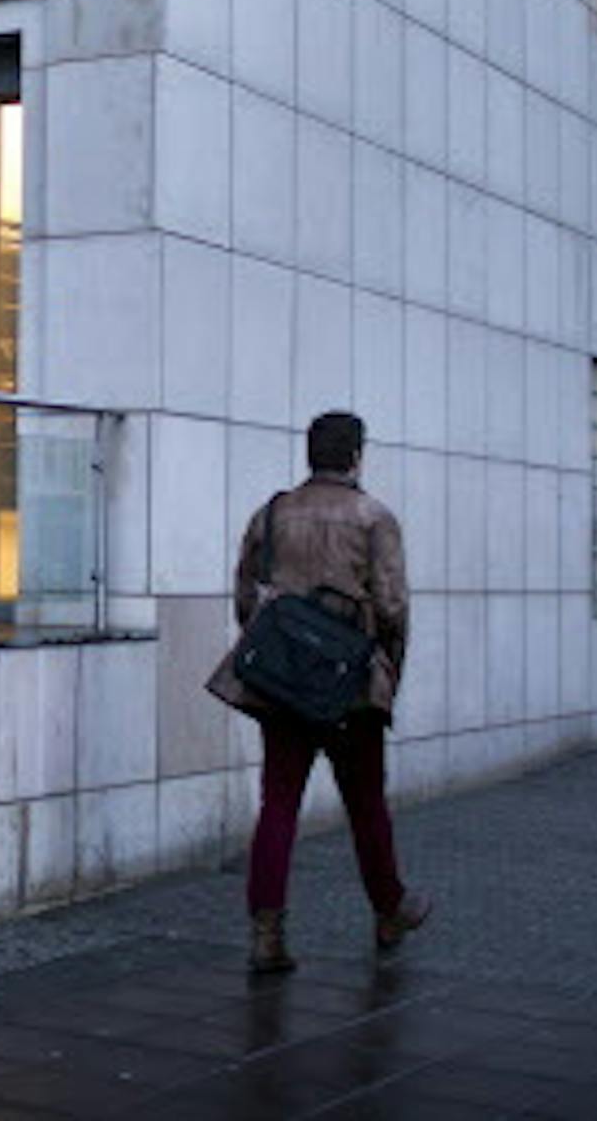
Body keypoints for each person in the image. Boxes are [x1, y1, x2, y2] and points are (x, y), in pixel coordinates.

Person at [206, 410, 431, 973]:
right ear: (356, 455)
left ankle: (267, 933)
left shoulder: (272, 513)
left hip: (283, 687)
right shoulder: (374, 517)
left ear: (310, 454)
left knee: (279, 803)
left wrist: (280, 658)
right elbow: (393, 608)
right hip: (351, 686)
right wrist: (388, 674)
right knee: (366, 804)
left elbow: (245, 596)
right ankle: (389, 910)